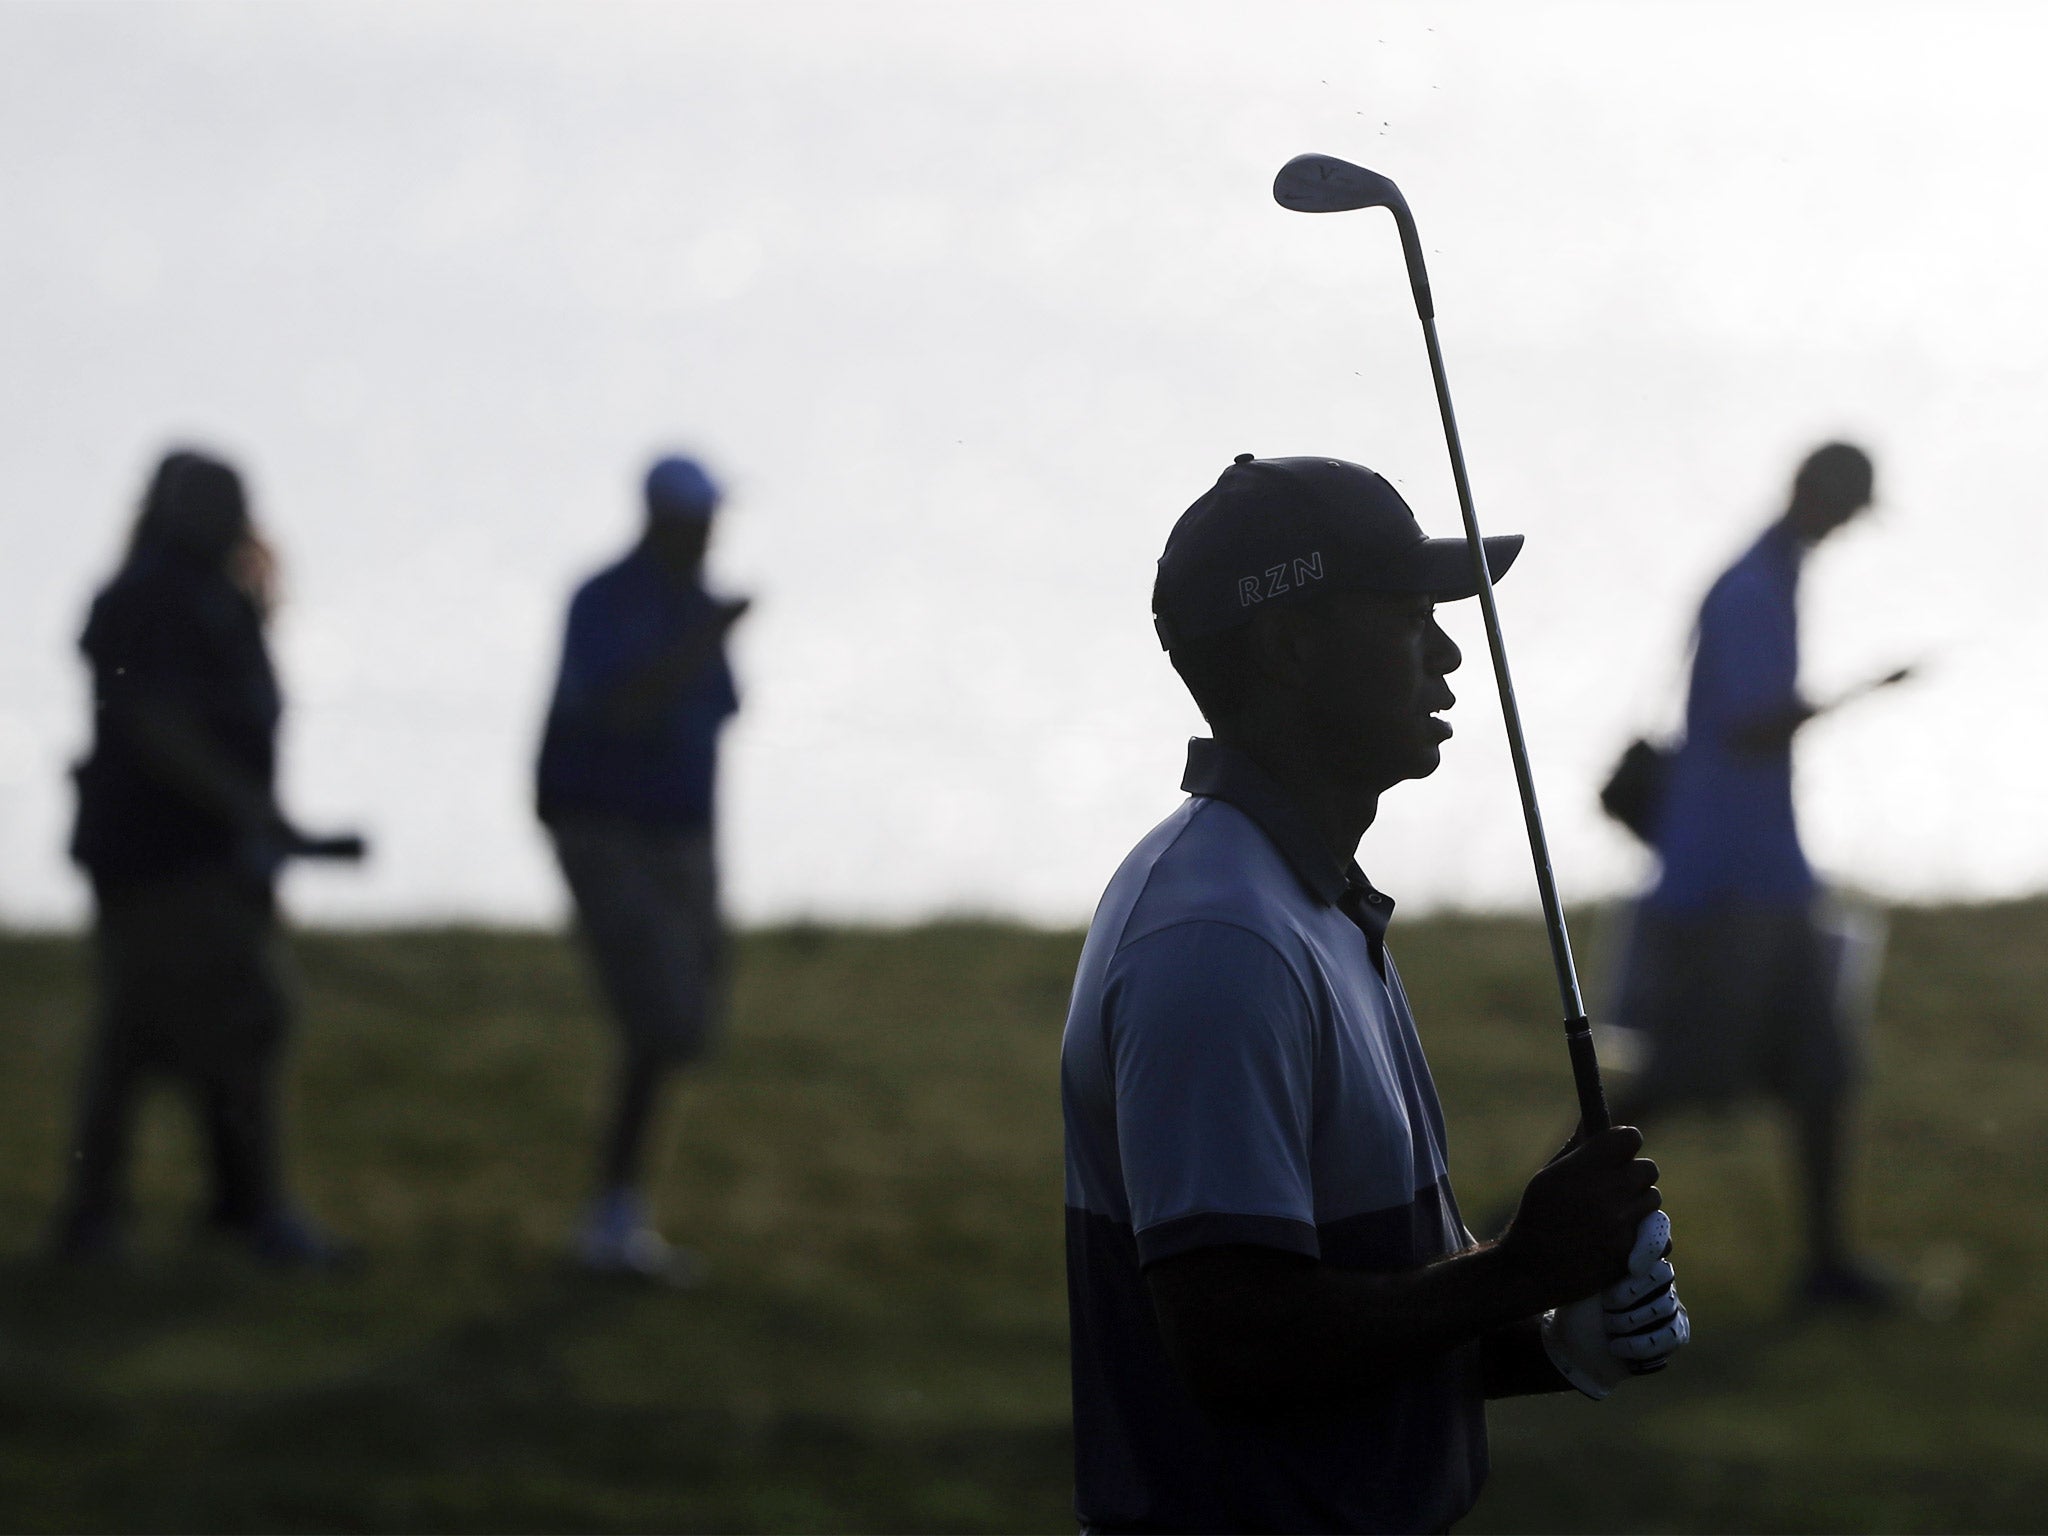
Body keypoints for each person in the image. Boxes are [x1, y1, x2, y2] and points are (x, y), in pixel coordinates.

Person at [1061, 454, 1690, 1534]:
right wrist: (1518, 1268)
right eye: (1408, 618)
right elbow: (1236, 1344)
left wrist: (1547, 1339)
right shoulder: (1220, 941)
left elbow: (1349, 1304)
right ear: (1289, 644)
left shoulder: (1299, 894)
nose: (1448, 656)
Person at [56, 448, 354, 1268]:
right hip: (167, 853)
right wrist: (249, 812)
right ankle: (245, 1211)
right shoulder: (154, 597)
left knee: (145, 1033)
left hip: (179, 850)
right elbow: (155, 725)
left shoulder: (189, 594)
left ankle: (122, 1215)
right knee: (239, 1018)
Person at [1614, 441, 1893, 1307]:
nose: (1846, 524)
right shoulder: (1751, 588)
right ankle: (1520, 1231)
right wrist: (1859, 695)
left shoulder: (1766, 575)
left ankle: (1825, 1265)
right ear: (1813, 492)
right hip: (1727, 882)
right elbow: (1745, 726)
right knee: (1679, 1079)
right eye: (1844, 504)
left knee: (1821, 1070)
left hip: (1765, 876)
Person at [537, 454, 749, 1284]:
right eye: (701, 521)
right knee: (659, 1016)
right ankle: (611, 1217)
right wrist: (707, 639)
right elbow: (620, 703)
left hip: (679, 834)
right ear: (669, 521)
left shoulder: (689, 603)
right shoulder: (608, 601)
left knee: (681, 1018)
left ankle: (619, 1215)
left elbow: (720, 709)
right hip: (611, 832)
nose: (711, 535)